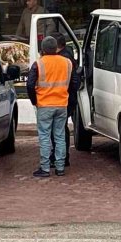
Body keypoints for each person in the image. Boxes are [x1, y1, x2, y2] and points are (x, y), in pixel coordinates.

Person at [27, 36, 78, 177]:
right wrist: (68, 96)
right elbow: (75, 83)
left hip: (44, 105)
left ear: (42, 49)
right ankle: (60, 168)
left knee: (44, 136)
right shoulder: (67, 63)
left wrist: (34, 101)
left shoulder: (39, 64)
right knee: (60, 136)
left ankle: (45, 168)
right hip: (62, 104)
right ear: (56, 48)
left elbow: (30, 84)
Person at [49, 32, 77, 168]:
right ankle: (61, 156)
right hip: (65, 99)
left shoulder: (64, 59)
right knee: (60, 128)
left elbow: (73, 81)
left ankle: (60, 157)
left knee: (59, 129)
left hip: (62, 99)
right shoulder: (67, 56)